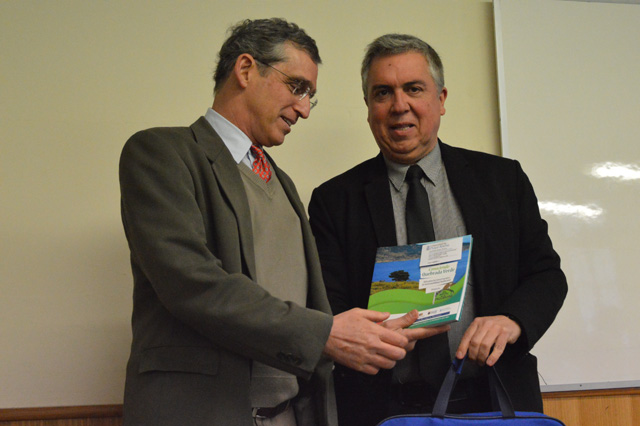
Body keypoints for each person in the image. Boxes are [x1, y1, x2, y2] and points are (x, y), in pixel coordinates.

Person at [119, 20, 444, 426]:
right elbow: (190, 283)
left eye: (310, 96)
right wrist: (324, 334)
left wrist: (371, 330)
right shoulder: (161, 153)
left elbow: (309, 301)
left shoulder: (283, 182)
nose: (304, 109)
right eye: (297, 87)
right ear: (245, 69)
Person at [308, 33, 568, 426]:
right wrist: (369, 336)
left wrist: (512, 320)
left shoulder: (502, 180)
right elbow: (327, 304)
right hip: (382, 409)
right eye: (383, 93)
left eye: (414, 89)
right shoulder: (334, 200)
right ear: (368, 106)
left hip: (494, 401)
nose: (399, 105)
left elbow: (546, 274)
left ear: (441, 99)